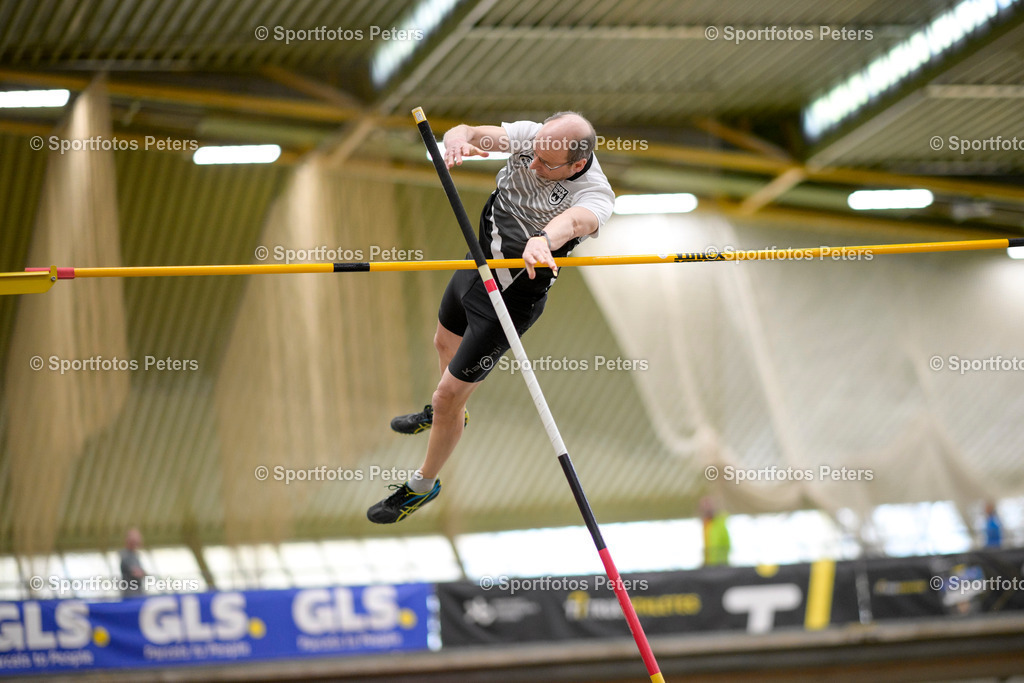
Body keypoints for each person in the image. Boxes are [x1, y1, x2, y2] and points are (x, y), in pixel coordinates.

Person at [367, 112, 615, 524]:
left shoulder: (596, 194)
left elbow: (573, 221)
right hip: (477, 265)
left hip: (512, 298)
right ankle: (444, 416)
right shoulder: (536, 139)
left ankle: (423, 485)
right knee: (442, 343)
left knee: (448, 395)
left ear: (576, 165)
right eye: (532, 154)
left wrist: (543, 240)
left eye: (546, 165)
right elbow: (472, 133)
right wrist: (458, 140)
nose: (533, 165)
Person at [700, 497, 731, 566]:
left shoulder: (719, 523)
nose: (706, 508)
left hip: (720, 563)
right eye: (704, 506)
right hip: (709, 563)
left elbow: (727, 543)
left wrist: (722, 558)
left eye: (708, 505)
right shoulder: (706, 523)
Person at [119, 527, 147, 597]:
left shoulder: (135, 555)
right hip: (131, 595)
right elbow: (137, 573)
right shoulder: (126, 555)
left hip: (137, 593)